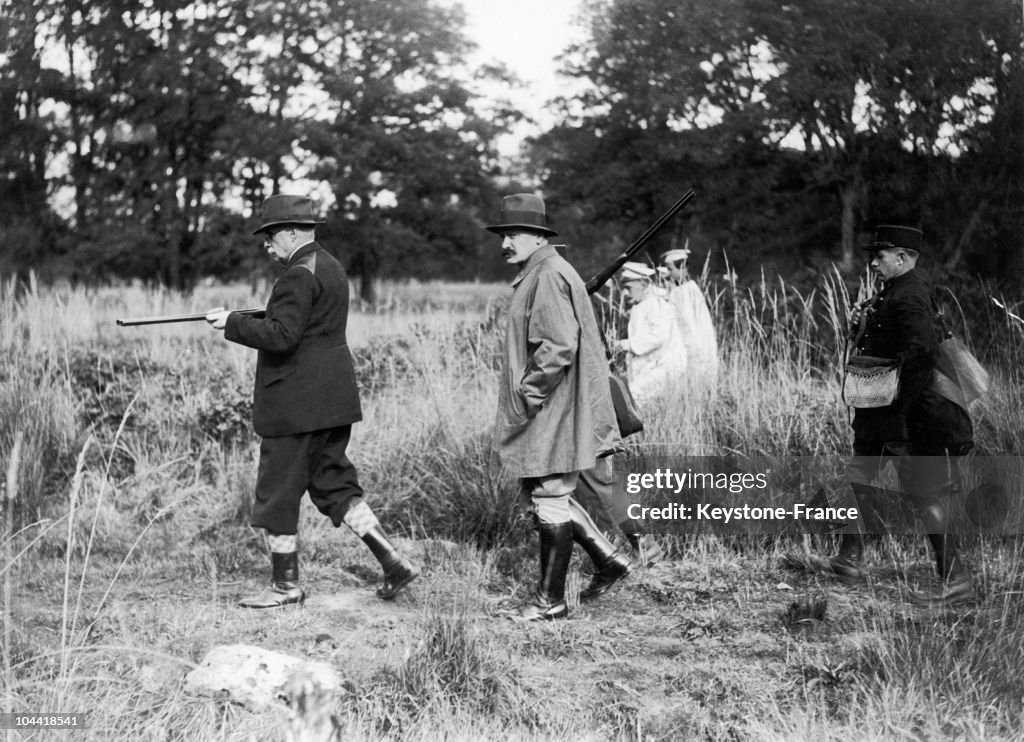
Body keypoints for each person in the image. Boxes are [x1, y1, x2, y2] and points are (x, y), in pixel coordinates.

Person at [206, 194, 418, 609]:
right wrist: (253, 316)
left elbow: (282, 336)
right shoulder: (331, 267)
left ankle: (285, 586)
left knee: (277, 493)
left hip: (296, 409)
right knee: (334, 485)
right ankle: (393, 561)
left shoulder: (296, 275)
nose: (267, 245)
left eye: (270, 236)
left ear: (290, 232)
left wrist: (231, 323)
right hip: (333, 403)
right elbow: (302, 326)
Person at [807, 225, 977, 606]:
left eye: (881, 255)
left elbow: (921, 355)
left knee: (924, 493)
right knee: (861, 478)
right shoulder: (894, 291)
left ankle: (955, 580)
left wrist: (897, 405)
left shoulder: (910, 295)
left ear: (902, 258)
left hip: (904, 418)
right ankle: (848, 560)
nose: (874, 261)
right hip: (881, 414)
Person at [488, 193, 633, 621]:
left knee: (550, 494)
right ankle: (609, 561)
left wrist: (527, 395)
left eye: (513, 233)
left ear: (537, 236)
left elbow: (556, 346)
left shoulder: (548, 274)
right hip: (552, 405)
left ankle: (549, 601)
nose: (505, 243)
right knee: (541, 491)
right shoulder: (543, 269)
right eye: (503, 234)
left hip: (551, 406)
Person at [614, 261, 688, 406]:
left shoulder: (656, 304)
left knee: (634, 397)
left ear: (643, 284)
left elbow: (657, 337)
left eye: (629, 288)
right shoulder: (642, 305)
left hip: (664, 367)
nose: (625, 293)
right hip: (652, 366)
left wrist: (626, 345)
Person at [661, 247, 719, 393]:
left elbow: (690, 326)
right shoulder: (679, 291)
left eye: (670, 269)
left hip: (694, 349)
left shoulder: (688, 291)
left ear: (682, 268)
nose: (668, 273)